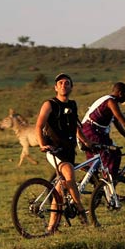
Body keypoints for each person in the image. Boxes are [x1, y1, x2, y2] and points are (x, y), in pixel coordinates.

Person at [34, 73, 90, 231]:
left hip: (69, 150)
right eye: (60, 83)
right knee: (69, 173)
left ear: (71, 87)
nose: (64, 85)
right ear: (55, 87)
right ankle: (80, 210)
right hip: (54, 150)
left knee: (59, 191)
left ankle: (52, 227)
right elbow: (39, 126)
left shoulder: (72, 105)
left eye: (67, 83)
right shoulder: (49, 104)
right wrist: (42, 144)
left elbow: (75, 127)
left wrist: (87, 141)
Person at [81, 82, 125, 181]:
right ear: (120, 93)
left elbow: (118, 124)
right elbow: (124, 122)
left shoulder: (109, 100)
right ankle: (110, 186)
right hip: (92, 132)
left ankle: (99, 187)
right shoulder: (111, 102)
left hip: (92, 132)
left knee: (95, 167)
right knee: (114, 153)